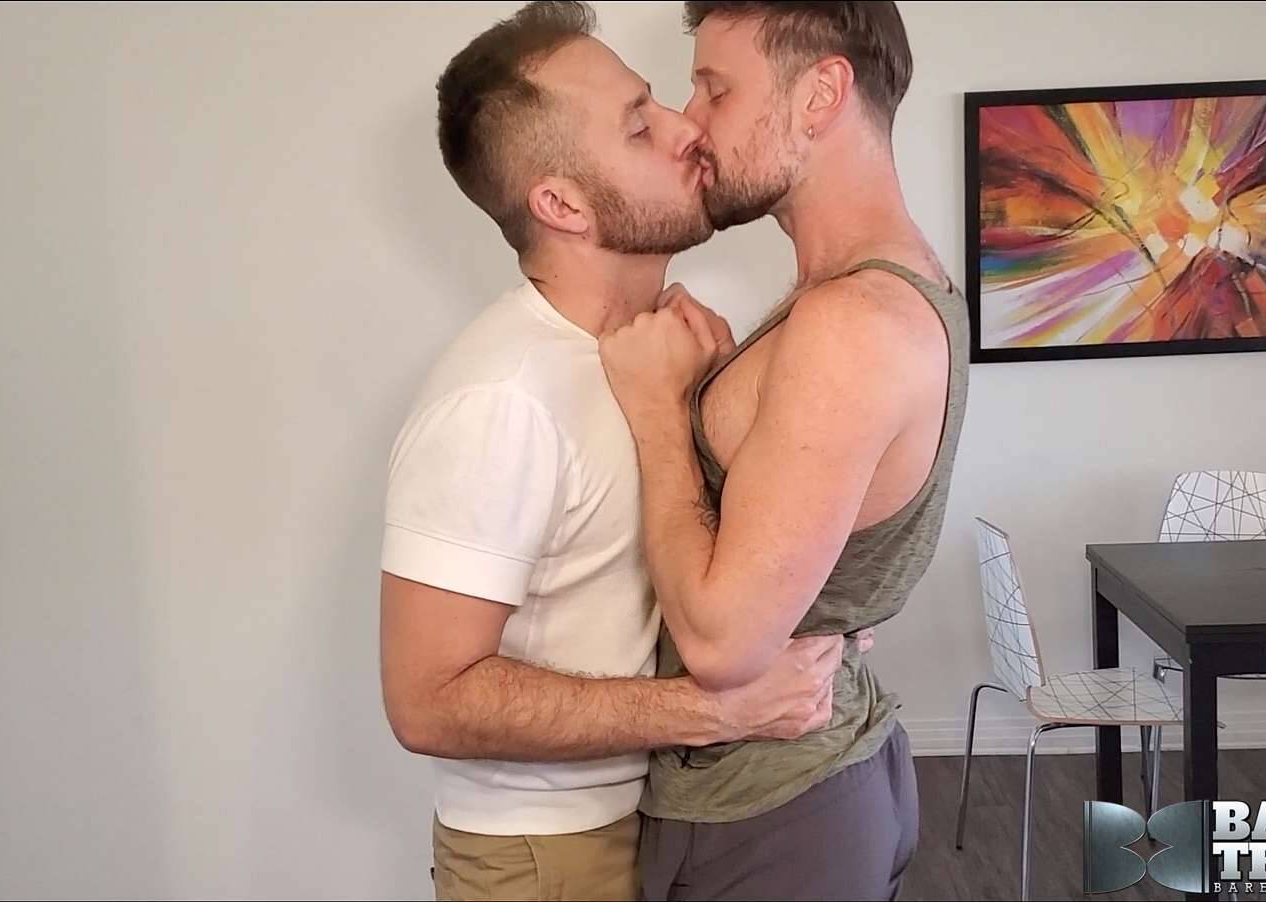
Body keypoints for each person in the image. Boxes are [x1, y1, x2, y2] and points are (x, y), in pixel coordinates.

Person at [378, 3, 854, 900]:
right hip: (544, 858)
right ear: (560, 204)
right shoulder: (500, 400)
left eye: (657, 101)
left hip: (661, 819)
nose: (686, 128)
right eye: (639, 126)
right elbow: (426, 700)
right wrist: (712, 711)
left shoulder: (663, 353)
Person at [594, 2, 971, 899]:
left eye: (716, 89)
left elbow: (722, 644)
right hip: (807, 784)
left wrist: (662, 411)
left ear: (821, 95)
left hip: (774, 812)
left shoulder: (851, 323)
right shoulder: (866, 291)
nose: (692, 121)